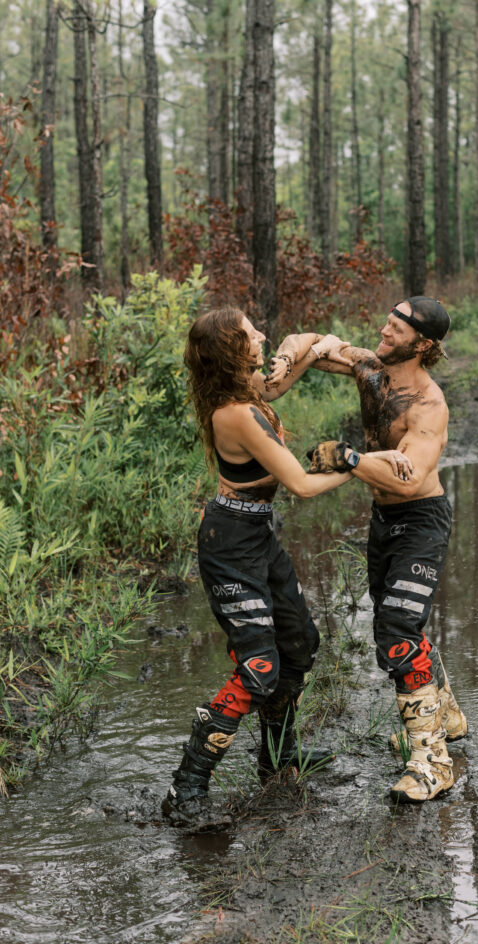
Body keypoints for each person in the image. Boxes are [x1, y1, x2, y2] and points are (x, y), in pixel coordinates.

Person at [162, 305, 412, 822]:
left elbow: (276, 381)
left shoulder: (244, 389)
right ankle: (186, 785)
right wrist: (362, 465)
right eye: (251, 332)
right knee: (258, 669)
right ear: (234, 349)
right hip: (229, 542)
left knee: (300, 643)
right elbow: (299, 483)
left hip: (256, 531)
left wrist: (309, 351)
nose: (261, 333)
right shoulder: (234, 413)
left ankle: (277, 759)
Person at [302, 297, 468, 803]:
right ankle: (448, 714)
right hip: (383, 521)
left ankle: (431, 762)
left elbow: (410, 474)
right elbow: (322, 351)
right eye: (387, 322)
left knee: (396, 631)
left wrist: (349, 457)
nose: (384, 330)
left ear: (423, 344)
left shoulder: (428, 404)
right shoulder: (373, 371)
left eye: (396, 329)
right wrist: (302, 349)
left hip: (421, 521)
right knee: (398, 622)